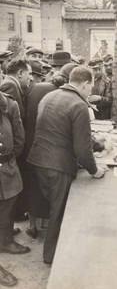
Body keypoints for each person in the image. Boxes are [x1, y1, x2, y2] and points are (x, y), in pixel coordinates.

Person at [27, 66, 105, 264]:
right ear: (85, 83)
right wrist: (95, 170)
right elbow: (82, 149)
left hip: (38, 160)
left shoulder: (50, 96)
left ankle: (53, 252)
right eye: (91, 88)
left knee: (53, 205)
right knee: (59, 210)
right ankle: (52, 257)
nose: (90, 92)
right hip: (58, 165)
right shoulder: (79, 105)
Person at [24, 63, 77, 239]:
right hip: (47, 145)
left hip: (29, 142)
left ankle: (32, 224)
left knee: (32, 184)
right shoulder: (60, 95)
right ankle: (48, 224)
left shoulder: (37, 87)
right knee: (50, 188)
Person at [0, 91, 29, 287]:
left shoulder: (7, 103)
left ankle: (5, 241)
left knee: (7, 208)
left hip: (7, 168)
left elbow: (18, 138)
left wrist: (7, 160)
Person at [0, 58, 33, 122]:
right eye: (29, 74)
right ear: (20, 73)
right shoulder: (10, 85)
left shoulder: (12, 84)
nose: (31, 78)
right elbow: (6, 119)